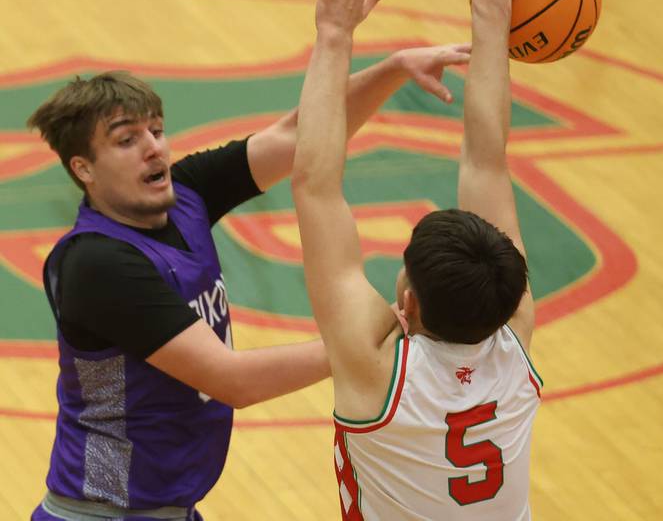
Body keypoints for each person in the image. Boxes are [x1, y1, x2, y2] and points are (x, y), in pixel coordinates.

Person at [27, 42, 470, 519]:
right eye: (126, 139)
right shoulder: (97, 264)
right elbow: (232, 381)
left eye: (155, 130)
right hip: (102, 512)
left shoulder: (186, 193)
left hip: (165, 509)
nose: (154, 146)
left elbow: (301, 135)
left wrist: (393, 69)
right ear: (83, 168)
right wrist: (371, 340)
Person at [291, 0, 564, 520]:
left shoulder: (377, 368)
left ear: (406, 302)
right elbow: (486, 162)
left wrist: (335, 35)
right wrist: (494, 5)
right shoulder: (513, 338)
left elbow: (313, 182)